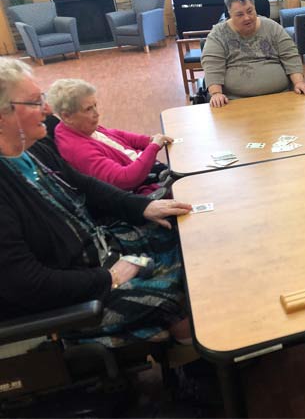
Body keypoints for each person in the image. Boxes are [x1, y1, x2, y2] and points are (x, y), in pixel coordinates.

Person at [0, 57, 193, 347]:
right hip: (72, 297)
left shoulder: (35, 148)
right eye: (34, 102)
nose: (47, 109)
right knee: (182, 291)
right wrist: (108, 278)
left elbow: (85, 185)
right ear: (3, 116)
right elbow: (25, 283)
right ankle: (200, 371)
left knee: (183, 237)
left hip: (99, 249)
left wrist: (143, 207)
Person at [47, 78, 172, 196]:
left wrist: (147, 140)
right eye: (88, 109)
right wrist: (153, 147)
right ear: (67, 116)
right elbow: (125, 180)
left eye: (95, 105)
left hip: (146, 168)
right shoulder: (78, 149)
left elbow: (115, 135)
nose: (97, 113)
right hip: (141, 187)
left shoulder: (79, 127)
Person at [201, 0, 305, 108]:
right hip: (236, 102)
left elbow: (290, 55)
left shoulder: (272, 27)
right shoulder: (218, 34)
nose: (247, 18)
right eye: (239, 14)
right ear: (230, 14)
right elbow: (212, 64)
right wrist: (216, 93)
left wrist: (299, 82)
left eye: (250, 11)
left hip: (280, 98)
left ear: (255, 8)